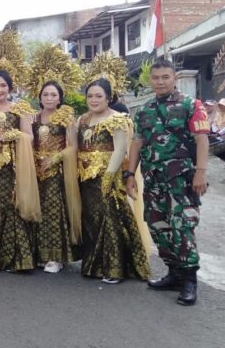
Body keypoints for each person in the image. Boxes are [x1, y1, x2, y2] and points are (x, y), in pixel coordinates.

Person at [126, 59, 210, 306]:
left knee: (182, 226)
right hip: (153, 180)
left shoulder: (190, 105)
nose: (160, 82)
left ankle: (189, 279)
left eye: (165, 77)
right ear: (150, 80)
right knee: (157, 225)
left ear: (174, 78)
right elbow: (137, 143)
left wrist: (201, 173)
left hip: (181, 180)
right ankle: (174, 272)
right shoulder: (144, 110)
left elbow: (201, 140)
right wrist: (130, 174)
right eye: (156, 78)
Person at [75, 78, 151, 284]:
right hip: (85, 177)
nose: (93, 100)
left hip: (108, 175)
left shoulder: (117, 119)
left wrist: (108, 177)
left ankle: (115, 268)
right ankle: (94, 264)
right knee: (92, 219)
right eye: (90, 96)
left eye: (98, 96)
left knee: (111, 218)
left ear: (108, 98)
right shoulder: (82, 120)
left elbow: (120, 150)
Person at [0, 70, 40, 273]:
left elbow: (29, 137)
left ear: (9, 88)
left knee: (13, 209)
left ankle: (17, 260)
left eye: (3, 85)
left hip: (12, 168)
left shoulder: (20, 109)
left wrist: (13, 135)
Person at [32, 81, 81, 273]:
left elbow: (73, 145)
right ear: (40, 97)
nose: (49, 98)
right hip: (36, 171)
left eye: (53, 95)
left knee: (54, 212)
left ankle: (56, 257)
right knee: (38, 212)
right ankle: (41, 254)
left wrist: (56, 158)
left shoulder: (65, 118)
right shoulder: (34, 118)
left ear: (60, 98)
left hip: (55, 171)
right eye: (46, 95)